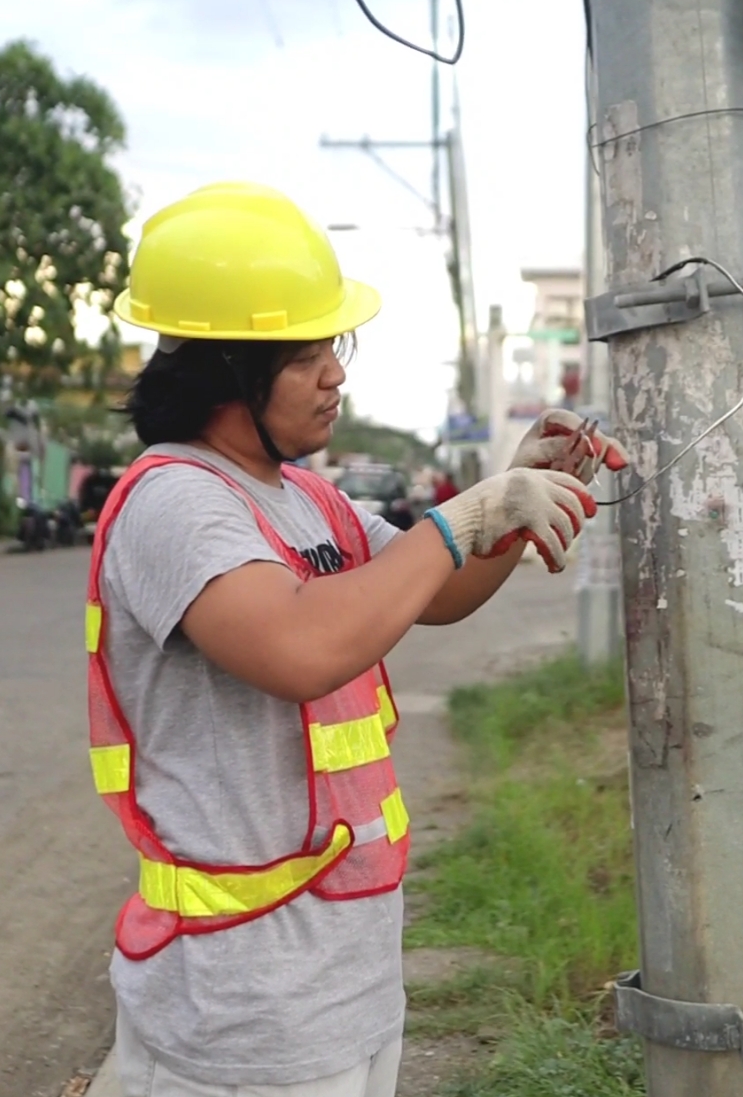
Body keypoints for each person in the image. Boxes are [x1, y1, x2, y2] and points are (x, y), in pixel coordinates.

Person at [86, 182, 629, 1097]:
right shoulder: (176, 497)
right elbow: (297, 649)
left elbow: (434, 589)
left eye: (332, 347)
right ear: (228, 373)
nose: (336, 373)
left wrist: (513, 489)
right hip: (240, 1005)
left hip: (344, 974)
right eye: (307, 356)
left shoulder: (306, 496)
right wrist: (468, 514)